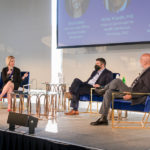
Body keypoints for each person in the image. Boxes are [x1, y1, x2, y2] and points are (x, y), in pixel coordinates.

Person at [91, 53, 150, 126]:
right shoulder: (145, 70)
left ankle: (102, 90)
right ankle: (103, 118)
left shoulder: (149, 72)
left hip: (134, 94)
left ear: (146, 61)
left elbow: (147, 89)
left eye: (141, 59)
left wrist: (132, 95)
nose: (140, 61)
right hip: (131, 90)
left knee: (117, 81)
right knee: (109, 92)